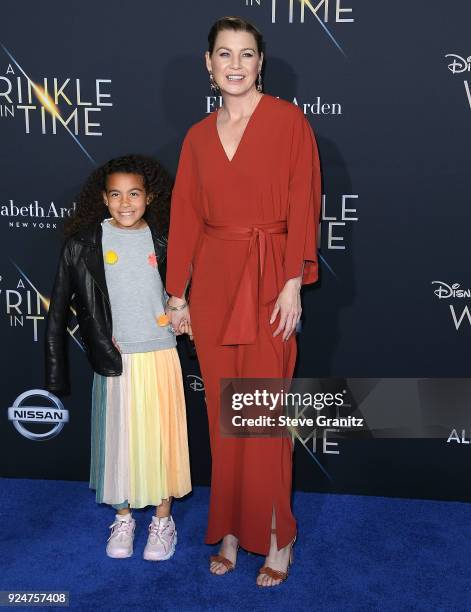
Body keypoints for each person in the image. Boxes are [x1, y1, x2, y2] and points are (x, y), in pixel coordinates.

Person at [165, 17, 321, 587]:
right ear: (208, 64)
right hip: (211, 284)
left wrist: (291, 283)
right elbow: (185, 218)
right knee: (222, 417)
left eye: (246, 54)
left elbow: (304, 201)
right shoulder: (196, 136)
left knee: (263, 416)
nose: (235, 64)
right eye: (224, 54)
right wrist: (177, 295)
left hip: (268, 282)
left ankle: (277, 535)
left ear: (261, 62)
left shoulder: (288, 122)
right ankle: (230, 529)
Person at [45, 155, 191, 561]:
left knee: (161, 443)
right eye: (116, 195)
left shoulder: (166, 240)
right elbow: (57, 311)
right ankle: (124, 518)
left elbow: (191, 291)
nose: (125, 203)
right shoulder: (84, 244)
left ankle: (163, 521)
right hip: (115, 360)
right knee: (118, 445)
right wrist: (55, 371)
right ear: (103, 199)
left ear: (150, 197)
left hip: (161, 354)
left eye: (134, 194)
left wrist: (188, 309)